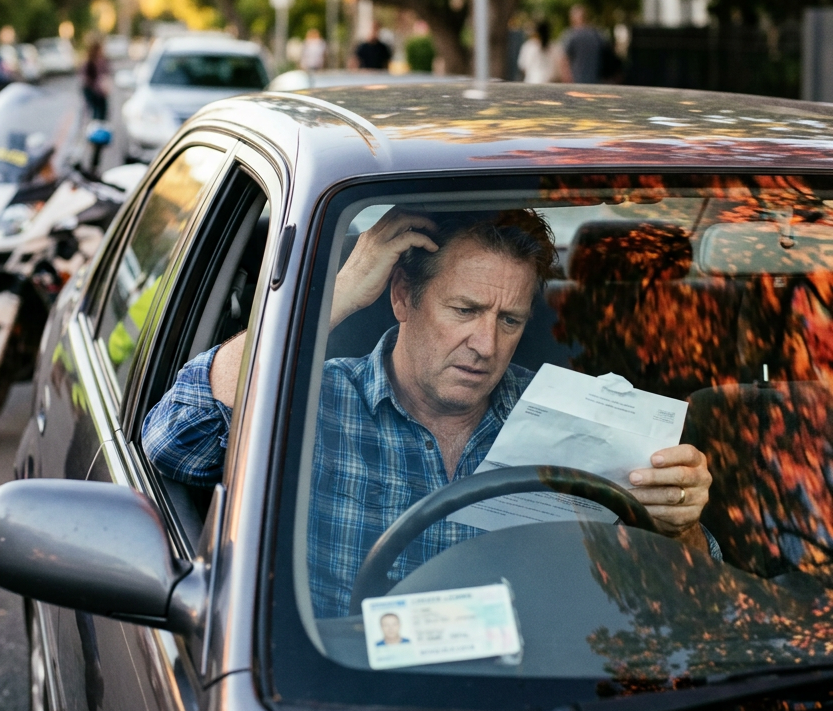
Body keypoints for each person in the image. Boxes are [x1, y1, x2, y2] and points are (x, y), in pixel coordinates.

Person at [143, 208, 715, 618]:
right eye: (464, 309)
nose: (486, 344)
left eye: (509, 321)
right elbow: (176, 439)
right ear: (401, 298)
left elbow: (684, 602)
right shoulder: (310, 401)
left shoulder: (569, 421)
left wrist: (678, 523)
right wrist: (335, 296)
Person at [562, 5, 605, 84]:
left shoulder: (570, 35)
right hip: (596, 80)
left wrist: (567, 78)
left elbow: (564, 59)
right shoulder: (597, 35)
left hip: (576, 80)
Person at [82, 38, 109, 120]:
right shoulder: (92, 62)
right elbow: (86, 78)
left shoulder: (100, 60)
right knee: (97, 113)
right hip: (94, 91)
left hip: (97, 91)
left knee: (99, 113)